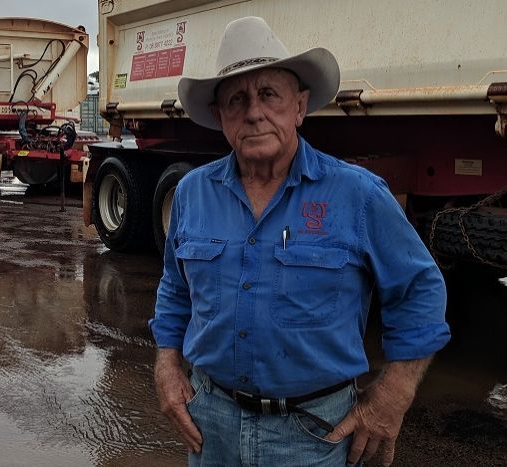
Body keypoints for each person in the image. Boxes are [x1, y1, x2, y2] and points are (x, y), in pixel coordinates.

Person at [150, 16, 450, 467]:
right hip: (210, 426)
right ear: (220, 117)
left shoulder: (358, 194)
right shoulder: (193, 193)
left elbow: (420, 288)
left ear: (300, 106)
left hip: (314, 434)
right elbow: (175, 289)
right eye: (236, 99)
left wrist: (393, 393)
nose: (254, 112)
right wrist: (166, 365)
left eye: (268, 94)